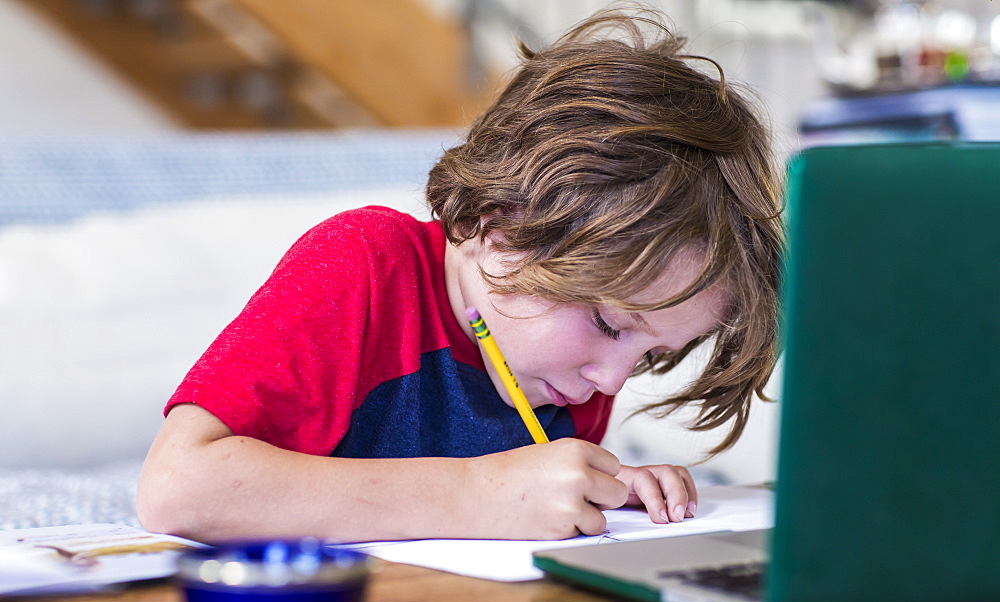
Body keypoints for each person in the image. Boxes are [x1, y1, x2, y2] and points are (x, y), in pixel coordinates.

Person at [137, 8, 783, 544]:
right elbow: (177, 489)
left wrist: (604, 490)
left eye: (654, 353)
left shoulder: (569, 377)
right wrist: (476, 494)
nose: (612, 380)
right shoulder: (365, 263)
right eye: (608, 324)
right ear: (498, 223)